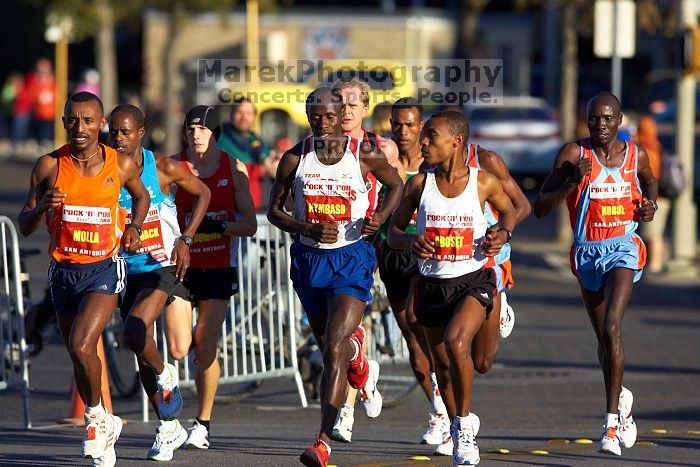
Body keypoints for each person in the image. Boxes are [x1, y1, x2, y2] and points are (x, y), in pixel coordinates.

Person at [267, 86, 403, 467]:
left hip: (352, 260)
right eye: (317, 117)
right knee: (333, 344)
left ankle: (322, 441)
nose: (324, 124)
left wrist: (378, 218)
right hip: (309, 262)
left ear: (342, 114)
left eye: (331, 116)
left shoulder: (365, 154)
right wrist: (306, 228)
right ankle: (359, 361)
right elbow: (274, 211)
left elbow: (396, 185)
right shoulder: (295, 158)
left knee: (332, 349)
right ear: (309, 117)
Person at [17, 91, 149, 466]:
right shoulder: (48, 166)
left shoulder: (119, 164)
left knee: (80, 342)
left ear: (101, 123)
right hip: (64, 271)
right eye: (72, 120)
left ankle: (94, 420)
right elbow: (25, 226)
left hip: (103, 268)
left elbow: (141, 198)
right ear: (63, 123)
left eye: (88, 120)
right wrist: (42, 207)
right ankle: (105, 422)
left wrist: (134, 229)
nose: (80, 127)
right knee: (81, 356)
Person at [388, 110, 515, 466]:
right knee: (445, 365)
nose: (422, 142)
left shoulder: (483, 181)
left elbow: (508, 212)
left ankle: (462, 430)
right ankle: (460, 422)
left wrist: (501, 234)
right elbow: (394, 232)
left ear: (456, 142)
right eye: (423, 136)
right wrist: (412, 240)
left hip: (474, 280)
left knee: (461, 344)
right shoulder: (418, 185)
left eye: (431, 136)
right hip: (432, 284)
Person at [534, 92, 657, 456]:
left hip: (623, 247)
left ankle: (611, 426)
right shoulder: (574, 155)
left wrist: (649, 206)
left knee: (612, 327)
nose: (600, 126)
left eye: (607, 119)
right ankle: (622, 399)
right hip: (587, 252)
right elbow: (541, 206)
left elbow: (650, 182)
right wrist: (572, 181)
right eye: (593, 120)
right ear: (585, 121)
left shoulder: (636, 155)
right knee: (604, 344)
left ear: (620, 121)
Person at [109, 104, 211, 461]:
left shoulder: (163, 167)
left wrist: (186, 239)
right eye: (113, 132)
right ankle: (169, 425)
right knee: (141, 346)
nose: (117, 138)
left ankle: (167, 374)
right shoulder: (105, 169)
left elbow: (203, 194)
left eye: (125, 132)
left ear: (141, 132)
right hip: (126, 270)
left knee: (135, 332)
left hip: (162, 265)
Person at [165, 104, 257, 450]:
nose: (195, 136)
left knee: (205, 349)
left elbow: (249, 224)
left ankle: (202, 422)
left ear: (214, 133)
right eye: (190, 130)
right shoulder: (172, 166)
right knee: (178, 348)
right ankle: (184, 356)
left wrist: (219, 225)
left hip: (218, 266)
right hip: (180, 266)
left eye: (202, 130)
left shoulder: (233, 169)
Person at [328, 78, 400, 440]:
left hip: (362, 247)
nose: (345, 111)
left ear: (365, 109)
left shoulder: (380, 147)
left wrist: (382, 219)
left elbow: (398, 192)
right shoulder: (322, 144)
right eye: (339, 103)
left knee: (355, 324)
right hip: (324, 251)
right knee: (333, 331)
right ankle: (363, 373)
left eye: (353, 105)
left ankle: (346, 411)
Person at [216, 96, 277, 211]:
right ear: (232, 114)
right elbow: (222, 170)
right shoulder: (219, 138)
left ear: (254, 117)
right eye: (240, 112)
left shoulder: (256, 140)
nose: (244, 117)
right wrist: (261, 170)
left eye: (248, 113)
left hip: (256, 206)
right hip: (230, 206)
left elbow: (269, 160)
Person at [634, 115, 668, 274]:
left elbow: (650, 179)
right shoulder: (657, 146)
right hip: (662, 198)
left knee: (653, 234)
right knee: (656, 233)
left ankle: (655, 265)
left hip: (655, 199)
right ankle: (656, 263)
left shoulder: (647, 151)